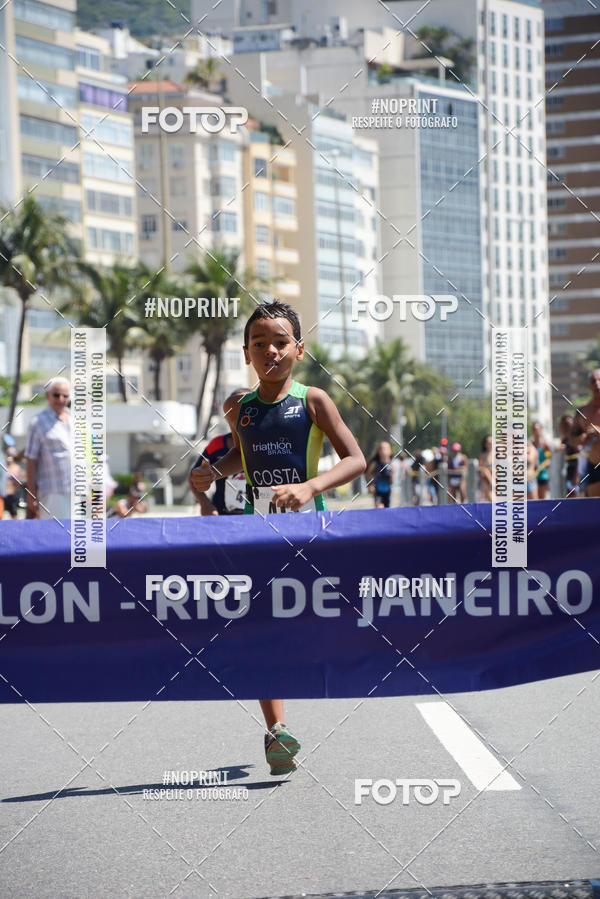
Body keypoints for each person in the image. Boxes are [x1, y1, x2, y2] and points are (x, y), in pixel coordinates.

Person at [193, 300, 366, 776]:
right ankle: (276, 731)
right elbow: (240, 460)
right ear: (246, 353)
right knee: (261, 626)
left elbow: (356, 460)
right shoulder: (239, 408)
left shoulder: (314, 401)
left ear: (299, 349)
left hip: (311, 529)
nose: (270, 350)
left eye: (280, 342)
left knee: (311, 622)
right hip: (258, 533)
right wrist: (211, 473)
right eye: (259, 343)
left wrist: (310, 486)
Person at [189, 388, 249, 516]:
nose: (241, 413)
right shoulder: (216, 445)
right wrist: (205, 504)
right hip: (222, 516)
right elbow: (193, 477)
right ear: (228, 416)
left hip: (257, 516)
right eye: (235, 409)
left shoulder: (266, 444)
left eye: (246, 408)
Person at [25, 377, 71, 520]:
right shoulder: (37, 423)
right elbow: (31, 460)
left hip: (79, 493)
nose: (61, 399)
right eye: (56, 395)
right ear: (48, 396)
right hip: (53, 493)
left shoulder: (76, 420)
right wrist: (31, 494)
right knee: (57, 538)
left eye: (65, 395)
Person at [571, 368, 600, 498]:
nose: (597, 384)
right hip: (593, 466)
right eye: (594, 381)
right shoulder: (582, 411)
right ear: (589, 385)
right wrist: (581, 438)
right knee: (595, 509)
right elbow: (572, 438)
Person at [366, 441, 393, 508]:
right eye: (381, 448)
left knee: (387, 511)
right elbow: (367, 475)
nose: (383, 451)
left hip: (387, 492)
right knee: (380, 508)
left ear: (390, 451)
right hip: (378, 491)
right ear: (378, 451)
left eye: (385, 448)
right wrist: (370, 485)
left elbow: (391, 482)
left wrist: (392, 475)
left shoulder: (392, 465)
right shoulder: (374, 464)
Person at [4, 439, 26, 519]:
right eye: (8, 454)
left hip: (13, 496)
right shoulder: (4, 467)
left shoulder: (17, 468)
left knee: (14, 515)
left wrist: (16, 485)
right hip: (4, 495)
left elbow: (25, 477)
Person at [558, 414, 579, 498]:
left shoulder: (575, 439)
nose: (566, 427)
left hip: (575, 474)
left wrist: (576, 476)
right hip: (567, 474)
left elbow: (580, 458)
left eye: (568, 424)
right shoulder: (564, 440)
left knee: (575, 500)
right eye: (564, 424)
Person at [532, 421, 551, 500]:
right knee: (534, 499)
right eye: (534, 430)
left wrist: (546, 463)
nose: (536, 432)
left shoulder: (545, 445)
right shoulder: (530, 445)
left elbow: (549, 459)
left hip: (542, 476)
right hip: (532, 477)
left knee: (542, 499)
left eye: (538, 430)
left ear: (541, 430)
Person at [478, 434, 493, 502]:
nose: (490, 443)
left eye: (491, 441)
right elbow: (481, 469)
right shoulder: (483, 455)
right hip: (487, 482)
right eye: (488, 442)